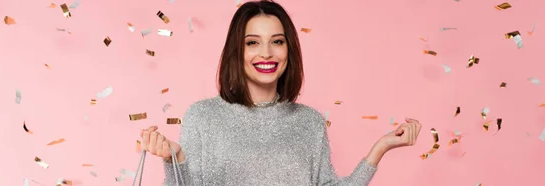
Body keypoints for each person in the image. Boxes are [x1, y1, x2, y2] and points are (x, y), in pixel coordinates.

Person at [140, 0, 422, 185]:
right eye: (252, 43)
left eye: (277, 41)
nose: (266, 53)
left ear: (289, 50)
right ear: (236, 51)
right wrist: (174, 158)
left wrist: (380, 149)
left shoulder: (309, 122)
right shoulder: (203, 116)